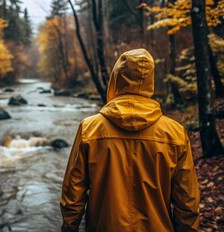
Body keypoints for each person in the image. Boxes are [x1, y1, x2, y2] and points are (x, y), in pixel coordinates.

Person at [60, 48, 200, 232]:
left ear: (116, 79)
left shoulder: (90, 129)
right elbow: (187, 199)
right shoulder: (175, 133)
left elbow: (73, 191)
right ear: (150, 81)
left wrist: (70, 227)